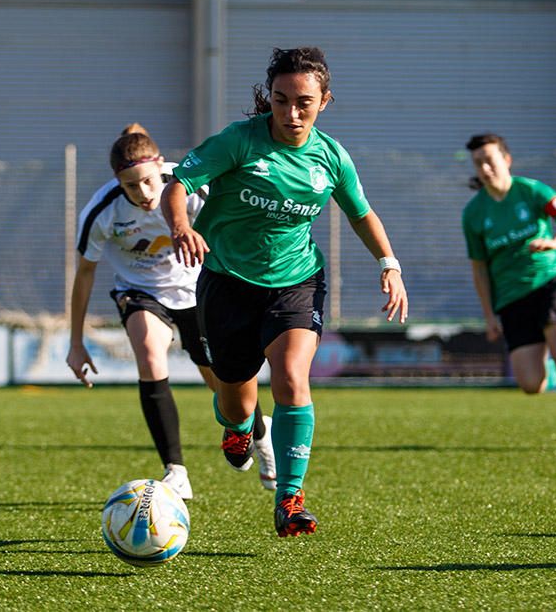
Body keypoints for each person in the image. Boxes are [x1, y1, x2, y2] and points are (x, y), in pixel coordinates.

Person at [162, 47, 408, 537]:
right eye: (281, 100)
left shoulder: (332, 157)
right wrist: (180, 226)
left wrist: (389, 264)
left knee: (292, 378)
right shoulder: (238, 141)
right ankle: (237, 427)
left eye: (304, 102)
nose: (291, 113)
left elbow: (361, 212)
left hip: (296, 282)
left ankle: (290, 498)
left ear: (325, 101)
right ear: (269, 99)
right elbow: (178, 182)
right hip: (227, 281)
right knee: (238, 399)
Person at [66, 123, 277, 500]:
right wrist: (76, 342)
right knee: (149, 355)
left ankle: (260, 433)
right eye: (131, 185)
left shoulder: (188, 186)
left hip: (200, 290)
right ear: (117, 181)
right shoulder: (102, 211)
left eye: (148, 181)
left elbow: (234, 223)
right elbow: (84, 274)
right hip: (140, 292)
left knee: (223, 383)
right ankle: (175, 471)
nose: (144, 193)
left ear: (161, 166)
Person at [461, 133, 556, 454]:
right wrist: (490, 315)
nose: (485, 167)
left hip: (550, 282)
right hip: (510, 298)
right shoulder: (474, 214)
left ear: (506, 159)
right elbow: (479, 269)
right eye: (479, 163)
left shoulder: (532, 191)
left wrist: (555, 242)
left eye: (489, 159)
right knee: (532, 385)